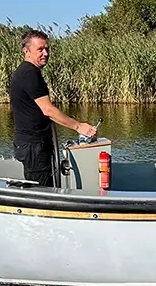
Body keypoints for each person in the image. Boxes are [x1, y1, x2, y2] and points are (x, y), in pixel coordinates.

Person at [9, 29, 98, 187]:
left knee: (45, 186)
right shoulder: (29, 74)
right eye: (40, 49)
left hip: (34, 144)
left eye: (47, 49)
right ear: (26, 51)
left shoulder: (28, 72)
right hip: (33, 146)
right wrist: (78, 126)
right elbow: (48, 110)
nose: (45, 53)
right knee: (41, 192)